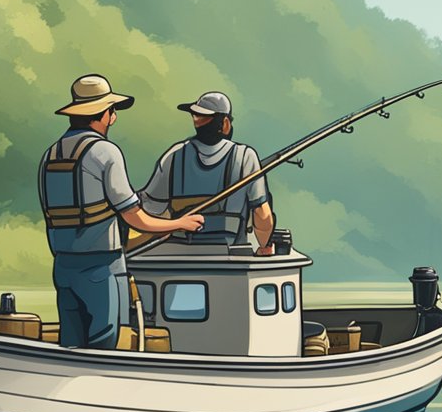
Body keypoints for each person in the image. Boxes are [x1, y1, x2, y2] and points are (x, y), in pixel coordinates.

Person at [40, 74, 204, 349]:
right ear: (104, 114)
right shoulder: (105, 152)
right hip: (101, 266)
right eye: (111, 110)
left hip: (63, 265)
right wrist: (179, 224)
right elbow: (134, 217)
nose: (113, 115)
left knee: (71, 343)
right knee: (104, 341)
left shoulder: (51, 154)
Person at [139, 91, 276, 254]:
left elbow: (151, 209)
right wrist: (265, 246)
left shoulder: (173, 156)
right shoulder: (245, 156)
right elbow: (262, 215)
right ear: (225, 123)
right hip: (230, 257)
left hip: (179, 255)